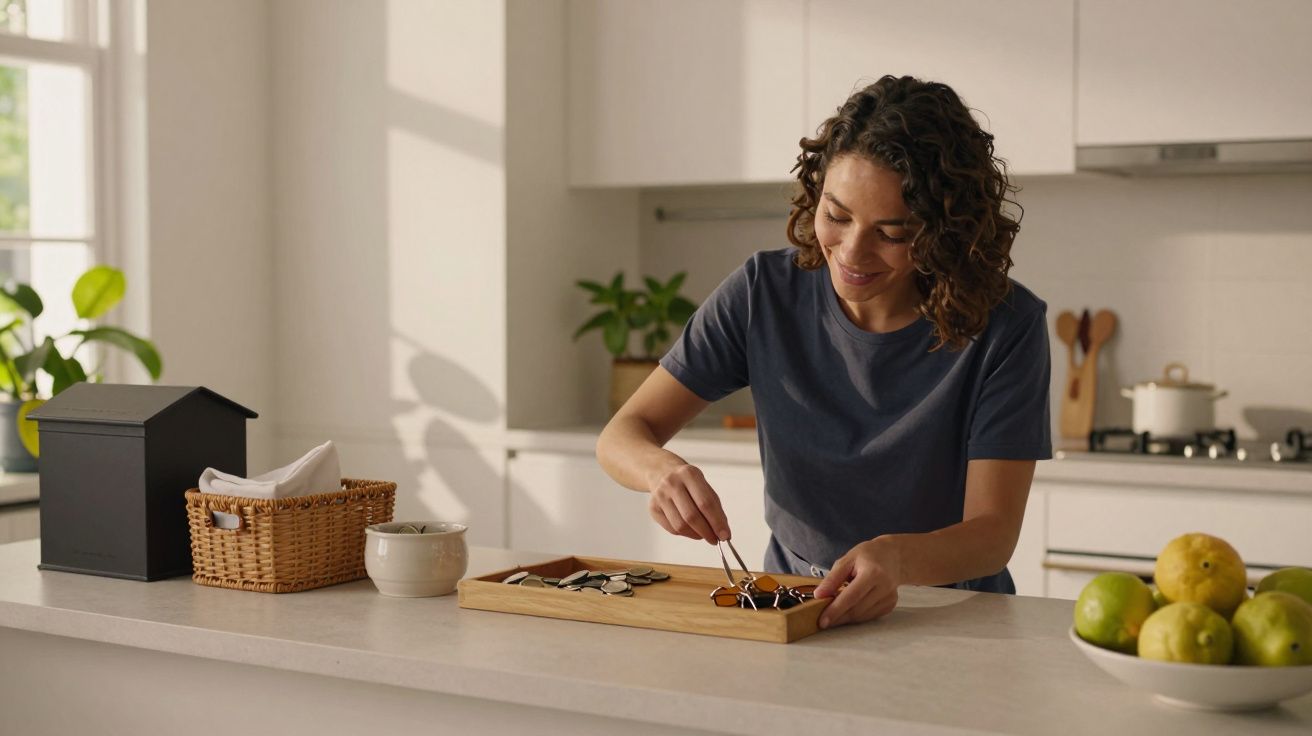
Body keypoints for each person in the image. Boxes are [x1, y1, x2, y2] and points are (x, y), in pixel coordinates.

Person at [595, 75, 1052, 629]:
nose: (852, 252)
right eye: (836, 216)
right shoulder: (763, 293)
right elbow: (623, 434)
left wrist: (898, 560)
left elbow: (993, 533)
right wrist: (660, 471)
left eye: (893, 232)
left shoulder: (1007, 327)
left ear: (945, 231)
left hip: (949, 616)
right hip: (795, 610)